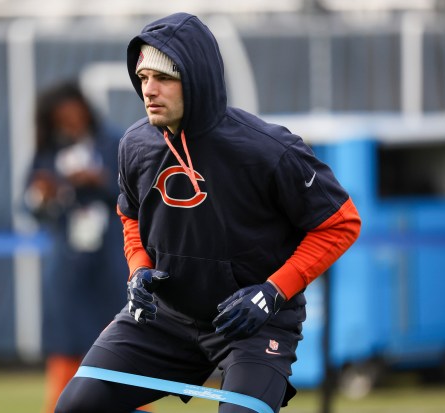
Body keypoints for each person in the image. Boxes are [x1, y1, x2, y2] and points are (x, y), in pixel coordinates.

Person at [55, 12, 361, 413]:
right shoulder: (135, 144)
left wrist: (273, 291)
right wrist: (138, 268)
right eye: (143, 78)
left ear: (196, 79)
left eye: (163, 78)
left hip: (252, 325)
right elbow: (129, 214)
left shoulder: (267, 149)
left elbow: (341, 223)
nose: (149, 90)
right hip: (165, 317)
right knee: (75, 407)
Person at [24, 81, 127, 413]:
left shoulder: (115, 142)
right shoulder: (49, 152)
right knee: (67, 348)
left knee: (122, 347)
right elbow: (28, 205)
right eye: (60, 117)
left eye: (73, 113)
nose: (69, 122)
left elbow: (139, 195)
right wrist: (44, 196)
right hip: (69, 266)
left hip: (113, 262)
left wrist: (101, 181)